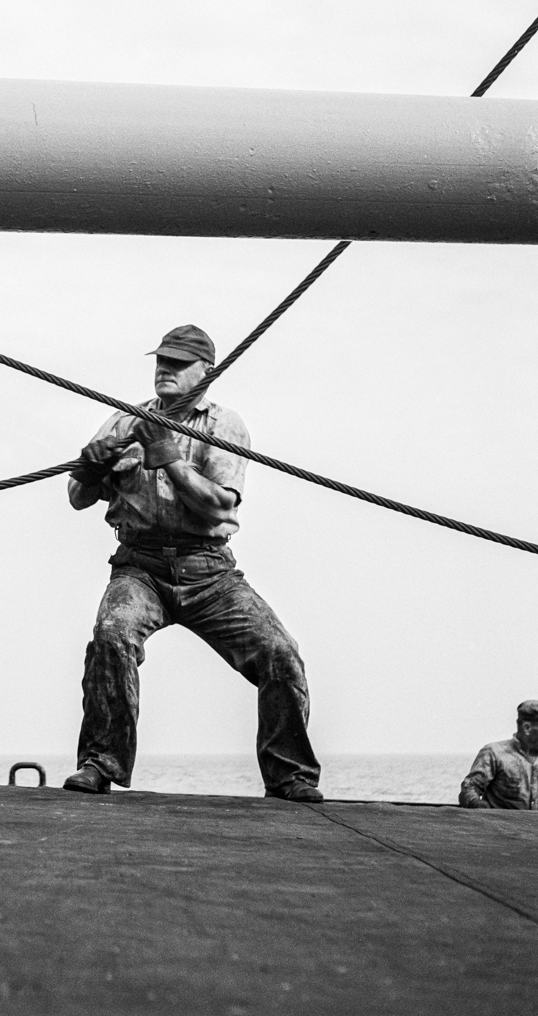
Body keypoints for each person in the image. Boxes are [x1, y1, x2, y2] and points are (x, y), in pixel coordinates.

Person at [61, 325, 323, 802]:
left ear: (207, 372)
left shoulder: (225, 426)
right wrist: (89, 469)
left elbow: (220, 508)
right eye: (162, 360)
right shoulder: (123, 422)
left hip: (209, 571)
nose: (166, 368)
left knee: (280, 654)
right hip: (139, 565)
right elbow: (77, 499)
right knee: (111, 636)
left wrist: (168, 458)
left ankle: (289, 776)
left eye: (179, 363)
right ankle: (100, 763)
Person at [459, 701, 538, 810]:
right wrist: (479, 806)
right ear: (527, 728)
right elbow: (469, 789)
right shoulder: (493, 753)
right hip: (500, 832)